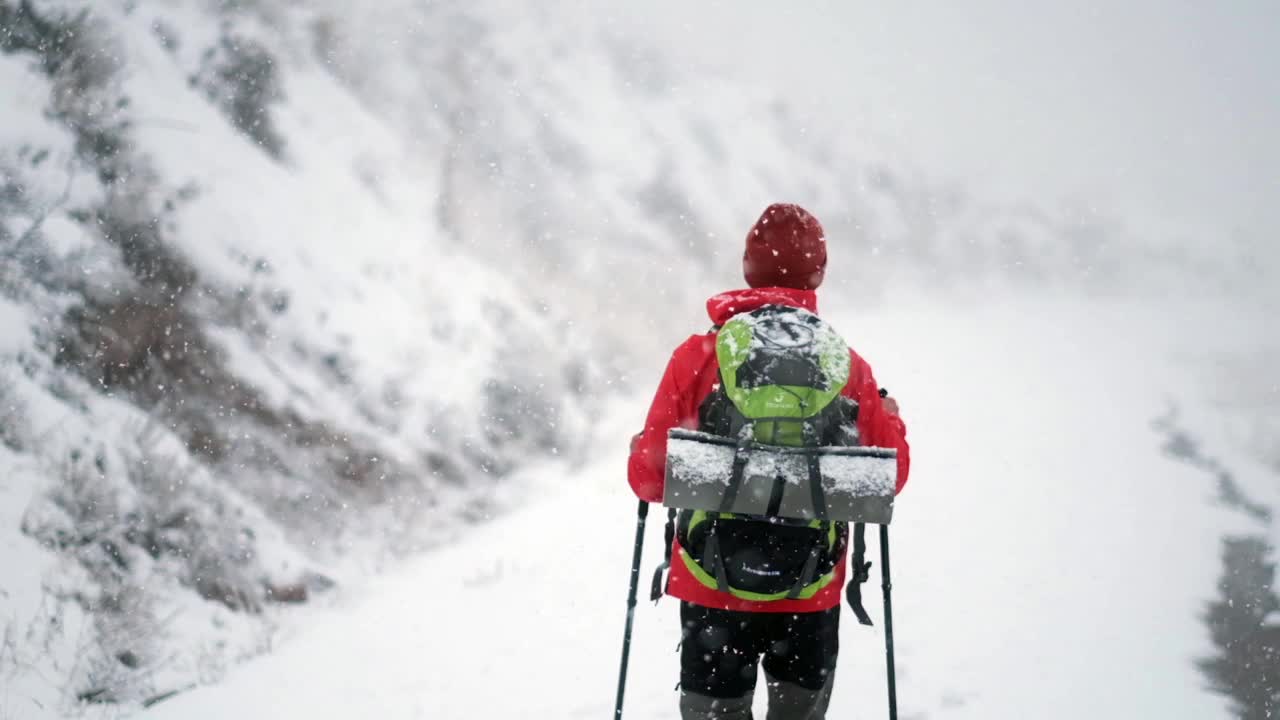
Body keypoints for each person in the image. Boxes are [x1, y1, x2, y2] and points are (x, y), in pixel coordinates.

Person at [627, 203, 911, 720]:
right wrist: (891, 419)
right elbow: (890, 478)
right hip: (811, 588)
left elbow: (647, 476)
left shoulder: (699, 356)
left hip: (710, 584)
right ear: (819, 273)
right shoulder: (847, 366)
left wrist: (642, 448)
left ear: (746, 267)